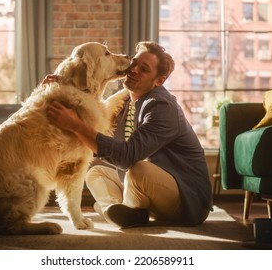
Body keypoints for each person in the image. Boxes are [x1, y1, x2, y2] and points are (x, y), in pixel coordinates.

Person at [46, 41, 212, 228]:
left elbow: (126, 157)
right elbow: (92, 129)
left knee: (138, 169)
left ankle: (122, 209)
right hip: (149, 190)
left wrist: (75, 125)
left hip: (186, 201)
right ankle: (117, 210)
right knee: (96, 173)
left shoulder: (162, 107)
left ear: (159, 81)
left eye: (144, 69)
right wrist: (62, 83)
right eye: (134, 63)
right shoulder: (123, 101)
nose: (133, 70)